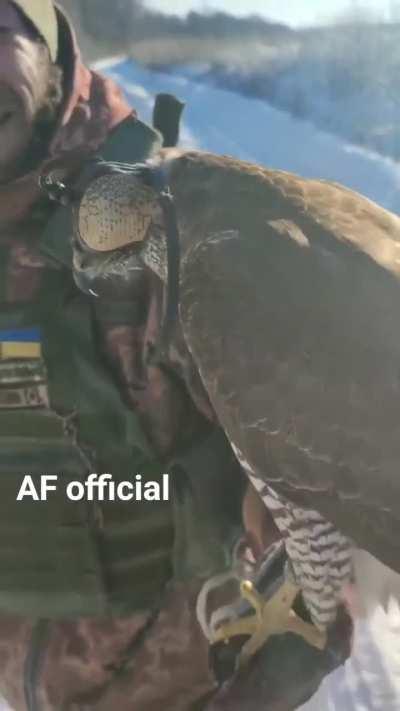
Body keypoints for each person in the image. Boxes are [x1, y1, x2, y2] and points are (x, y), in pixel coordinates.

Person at [0, 2, 351, 709]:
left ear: (48, 36)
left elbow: (318, 493)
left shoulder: (177, 223)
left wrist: (294, 632)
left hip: (188, 681)